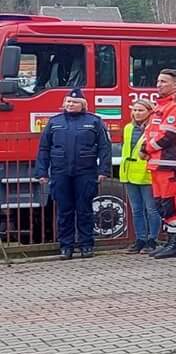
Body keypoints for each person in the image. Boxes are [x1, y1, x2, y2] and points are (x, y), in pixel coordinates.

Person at [34, 85, 111, 260]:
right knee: (64, 211)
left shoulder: (94, 122)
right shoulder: (54, 122)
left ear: (82, 104)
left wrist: (103, 170)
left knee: (84, 210)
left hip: (85, 173)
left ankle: (86, 245)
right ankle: (66, 247)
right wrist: (42, 172)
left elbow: (104, 148)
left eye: (75, 102)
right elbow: (44, 149)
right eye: (68, 101)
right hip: (61, 173)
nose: (70, 104)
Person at [143, 68, 176, 259]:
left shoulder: (175, 106)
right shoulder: (159, 107)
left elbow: (169, 136)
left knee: (173, 204)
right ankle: (170, 240)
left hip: (169, 164)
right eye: (158, 81)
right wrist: (145, 149)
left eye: (163, 81)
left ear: (175, 85)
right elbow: (151, 132)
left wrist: (148, 149)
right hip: (157, 164)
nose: (159, 84)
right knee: (162, 204)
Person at [120, 100, 158, 254]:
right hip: (129, 173)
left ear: (150, 112)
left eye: (141, 110)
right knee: (136, 209)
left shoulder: (153, 128)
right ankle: (140, 239)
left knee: (151, 209)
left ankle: (152, 239)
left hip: (146, 173)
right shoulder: (128, 128)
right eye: (135, 110)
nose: (136, 113)